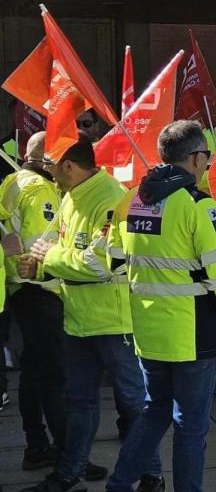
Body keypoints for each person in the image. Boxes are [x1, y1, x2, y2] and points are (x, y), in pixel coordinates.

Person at [105, 120, 216, 492]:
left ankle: (118, 485)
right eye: (207, 157)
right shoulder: (197, 204)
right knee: (191, 426)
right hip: (194, 332)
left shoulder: (130, 198)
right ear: (196, 158)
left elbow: (112, 259)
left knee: (154, 412)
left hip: (149, 330)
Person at [18, 139, 157, 492]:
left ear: (68, 166)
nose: (46, 170)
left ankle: (152, 476)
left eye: (50, 163)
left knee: (135, 405)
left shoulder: (110, 197)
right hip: (79, 321)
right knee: (80, 403)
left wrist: (48, 258)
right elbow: (69, 255)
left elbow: (100, 264)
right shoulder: (70, 195)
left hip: (114, 323)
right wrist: (40, 270)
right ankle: (68, 474)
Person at [0, 132, 65, 471]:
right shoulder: (40, 190)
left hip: (17, 288)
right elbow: (42, 245)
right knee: (51, 375)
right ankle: (62, 453)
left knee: (32, 370)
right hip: (39, 288)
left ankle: (36, 444)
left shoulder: (11, 181)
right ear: (48, 159)